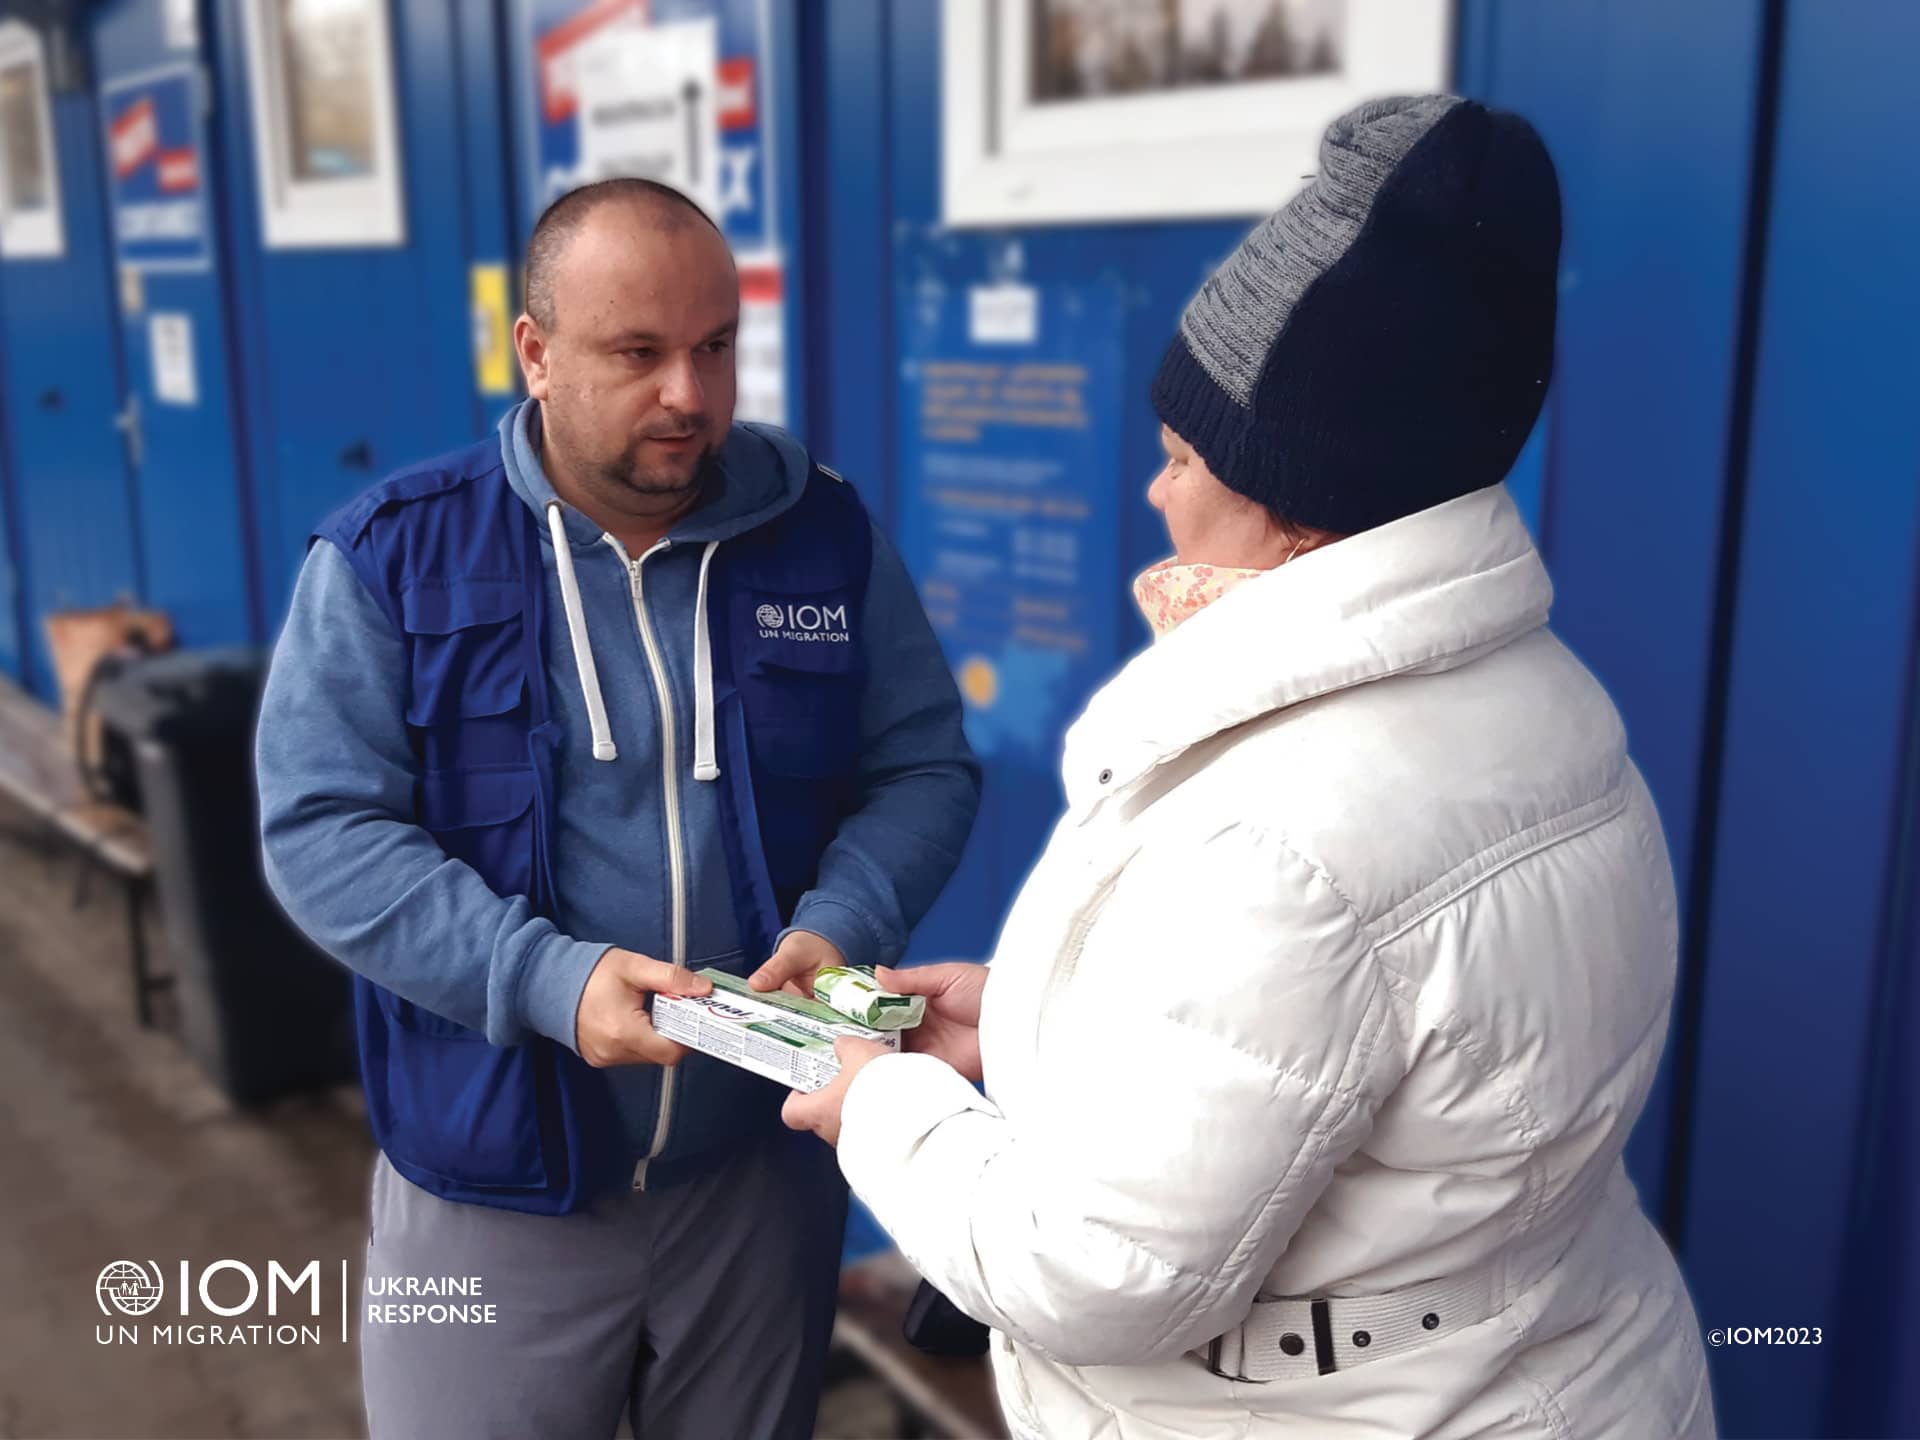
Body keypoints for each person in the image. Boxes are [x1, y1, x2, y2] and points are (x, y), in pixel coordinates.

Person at [784, 96, 1716, 1438]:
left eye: (1180, 459)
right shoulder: (1546, 701)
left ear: (1298, 498)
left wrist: (886, 1103)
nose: (1157, 495)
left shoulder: (1280, 829)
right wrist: (1045, 1023)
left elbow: (1098, 1269)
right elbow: (1367, 1062)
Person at [255, 177, 980, 1439]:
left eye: (715, 347)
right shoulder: (390, 558)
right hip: (493, 1194)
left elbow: (923, 766)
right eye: (638, 354)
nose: (690, 396)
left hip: (757, 1180)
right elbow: (320, 831)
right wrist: (543, 976)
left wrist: (847, 917)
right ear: (535, 353)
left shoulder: (824, 535)